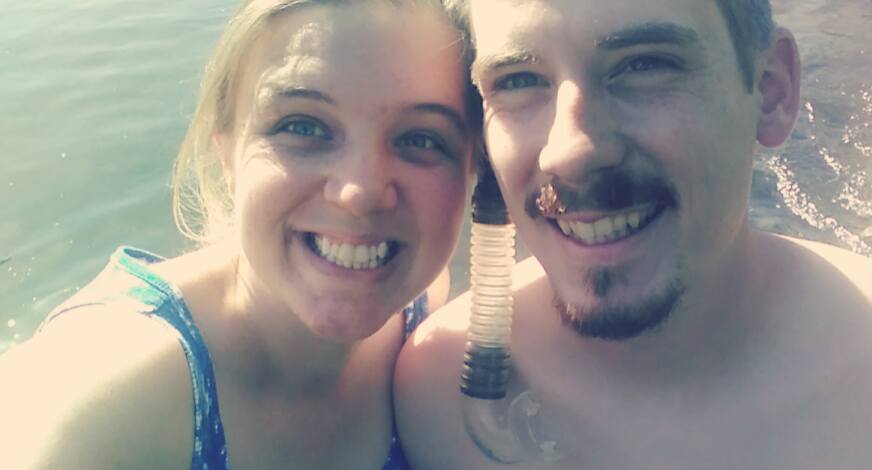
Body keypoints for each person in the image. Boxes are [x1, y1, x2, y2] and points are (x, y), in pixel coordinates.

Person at [0, 0, 479, 468]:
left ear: (475, 171)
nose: (360, 192)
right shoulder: (103, 397)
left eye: (421, 138)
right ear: (227, 155)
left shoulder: (417, 303)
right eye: (303, 126)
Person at [396, 0, 872, 468]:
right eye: (518, 81)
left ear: (772, 90)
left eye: (644, 65)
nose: (570, 152)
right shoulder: (435, 393)